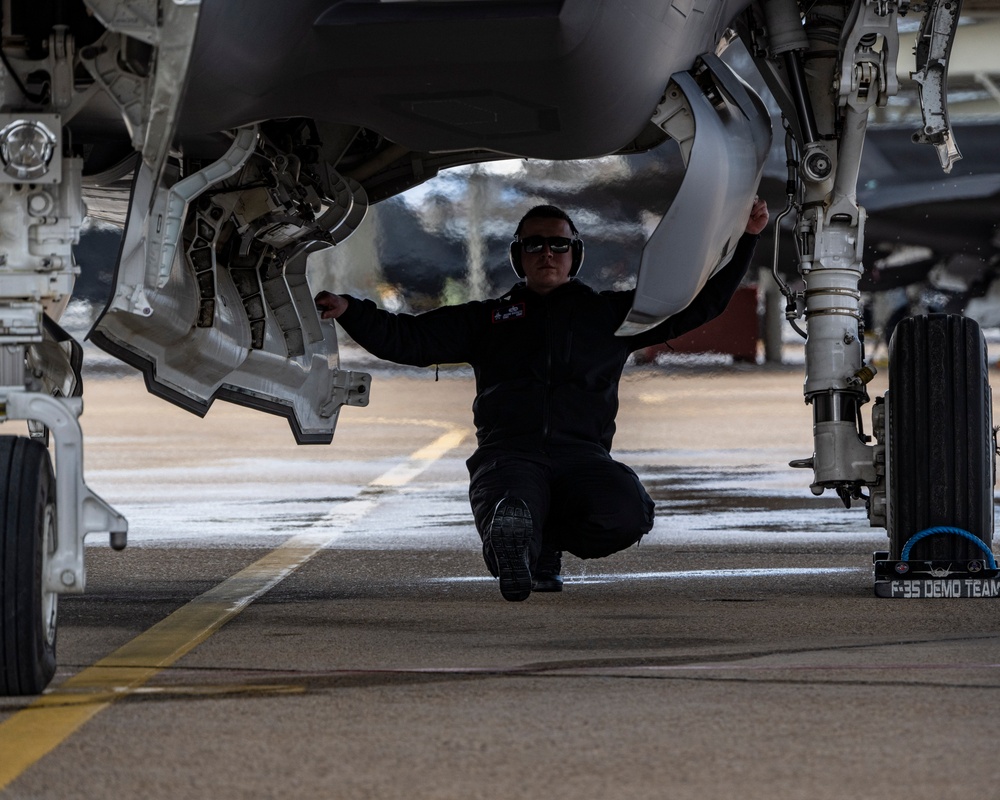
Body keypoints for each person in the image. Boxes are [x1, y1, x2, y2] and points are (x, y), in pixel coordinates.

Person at [316, 199, 769, 601]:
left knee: (628, 512)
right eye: (534, 246)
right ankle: (519, 550)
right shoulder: (490, 320)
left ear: (574, 255)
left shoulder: (612, 317)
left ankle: (538, 544)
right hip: (509, 457)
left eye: (557, 245)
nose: (546, 254)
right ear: (519, 257)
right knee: (508, 514)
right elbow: (408, 340)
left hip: (583, 459)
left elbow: (700, 305)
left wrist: (747, 239)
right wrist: (352, 311)